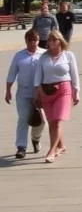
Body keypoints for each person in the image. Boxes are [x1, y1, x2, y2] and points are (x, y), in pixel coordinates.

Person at [33, 30, 80, 163]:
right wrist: (37, 92)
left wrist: (77, 92)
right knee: (52, 121)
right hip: (46, 90)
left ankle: (51, 151)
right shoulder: (43, 57)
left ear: (60, 41)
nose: (51, 42)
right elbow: (38, 75)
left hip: (64, 89)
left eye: (54, 39)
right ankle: (61, 146)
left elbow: (74, 74)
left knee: (57, 120)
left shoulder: (68, 55)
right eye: (49, 40)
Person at [5, 30, 46, 159]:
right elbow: (12, 73)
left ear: (39, 41)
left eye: (36, 40)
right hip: (23, 92)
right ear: (26, 41)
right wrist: (8, 90)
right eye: (31, 40)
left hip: (40, 93)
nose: (33, 43)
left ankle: (36, 139)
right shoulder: (19, 56)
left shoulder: (44, 54)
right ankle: (21, 147)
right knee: (23, 118)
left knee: (41, 120)